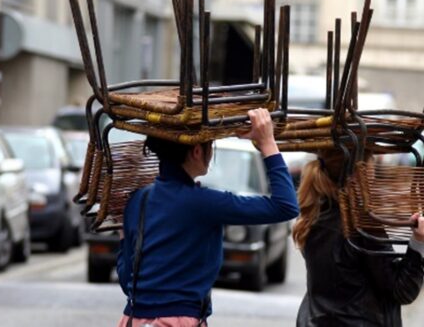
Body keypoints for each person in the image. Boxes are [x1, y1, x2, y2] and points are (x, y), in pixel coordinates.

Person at [116, 108, 299, 327]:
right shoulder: (204, 202)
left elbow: (127, 278)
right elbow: (285, 206)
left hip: (133, 319)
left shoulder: (139, 200)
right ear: (196, 151)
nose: (211, 153)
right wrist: (267, 143)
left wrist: (122, 239)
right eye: (210, 146)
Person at [294, 150, 424, 326]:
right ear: (360, 173)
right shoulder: (362, 224)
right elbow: (402, 290)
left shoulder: (311, 215)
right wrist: (419, 242)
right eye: (371, 166)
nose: (374, 173)